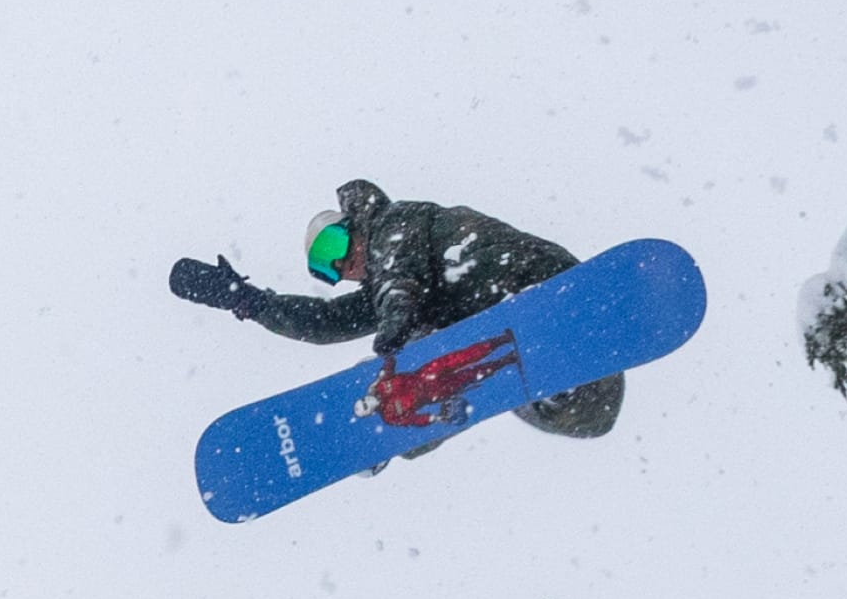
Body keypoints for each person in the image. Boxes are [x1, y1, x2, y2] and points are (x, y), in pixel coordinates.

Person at [170, 179, 625, 439]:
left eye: (337, 244)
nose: (343, 264)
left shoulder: (396, 225)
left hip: (535, 284)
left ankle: (395, 401)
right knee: (589, 416)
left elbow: (399, 284)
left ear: (353, 225)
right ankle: (408, 420)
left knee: (414, 340)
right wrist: (248, 300)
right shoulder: (388, 289)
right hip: (566, 368)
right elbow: (327, 322)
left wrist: (393, 345)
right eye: (326, 270)